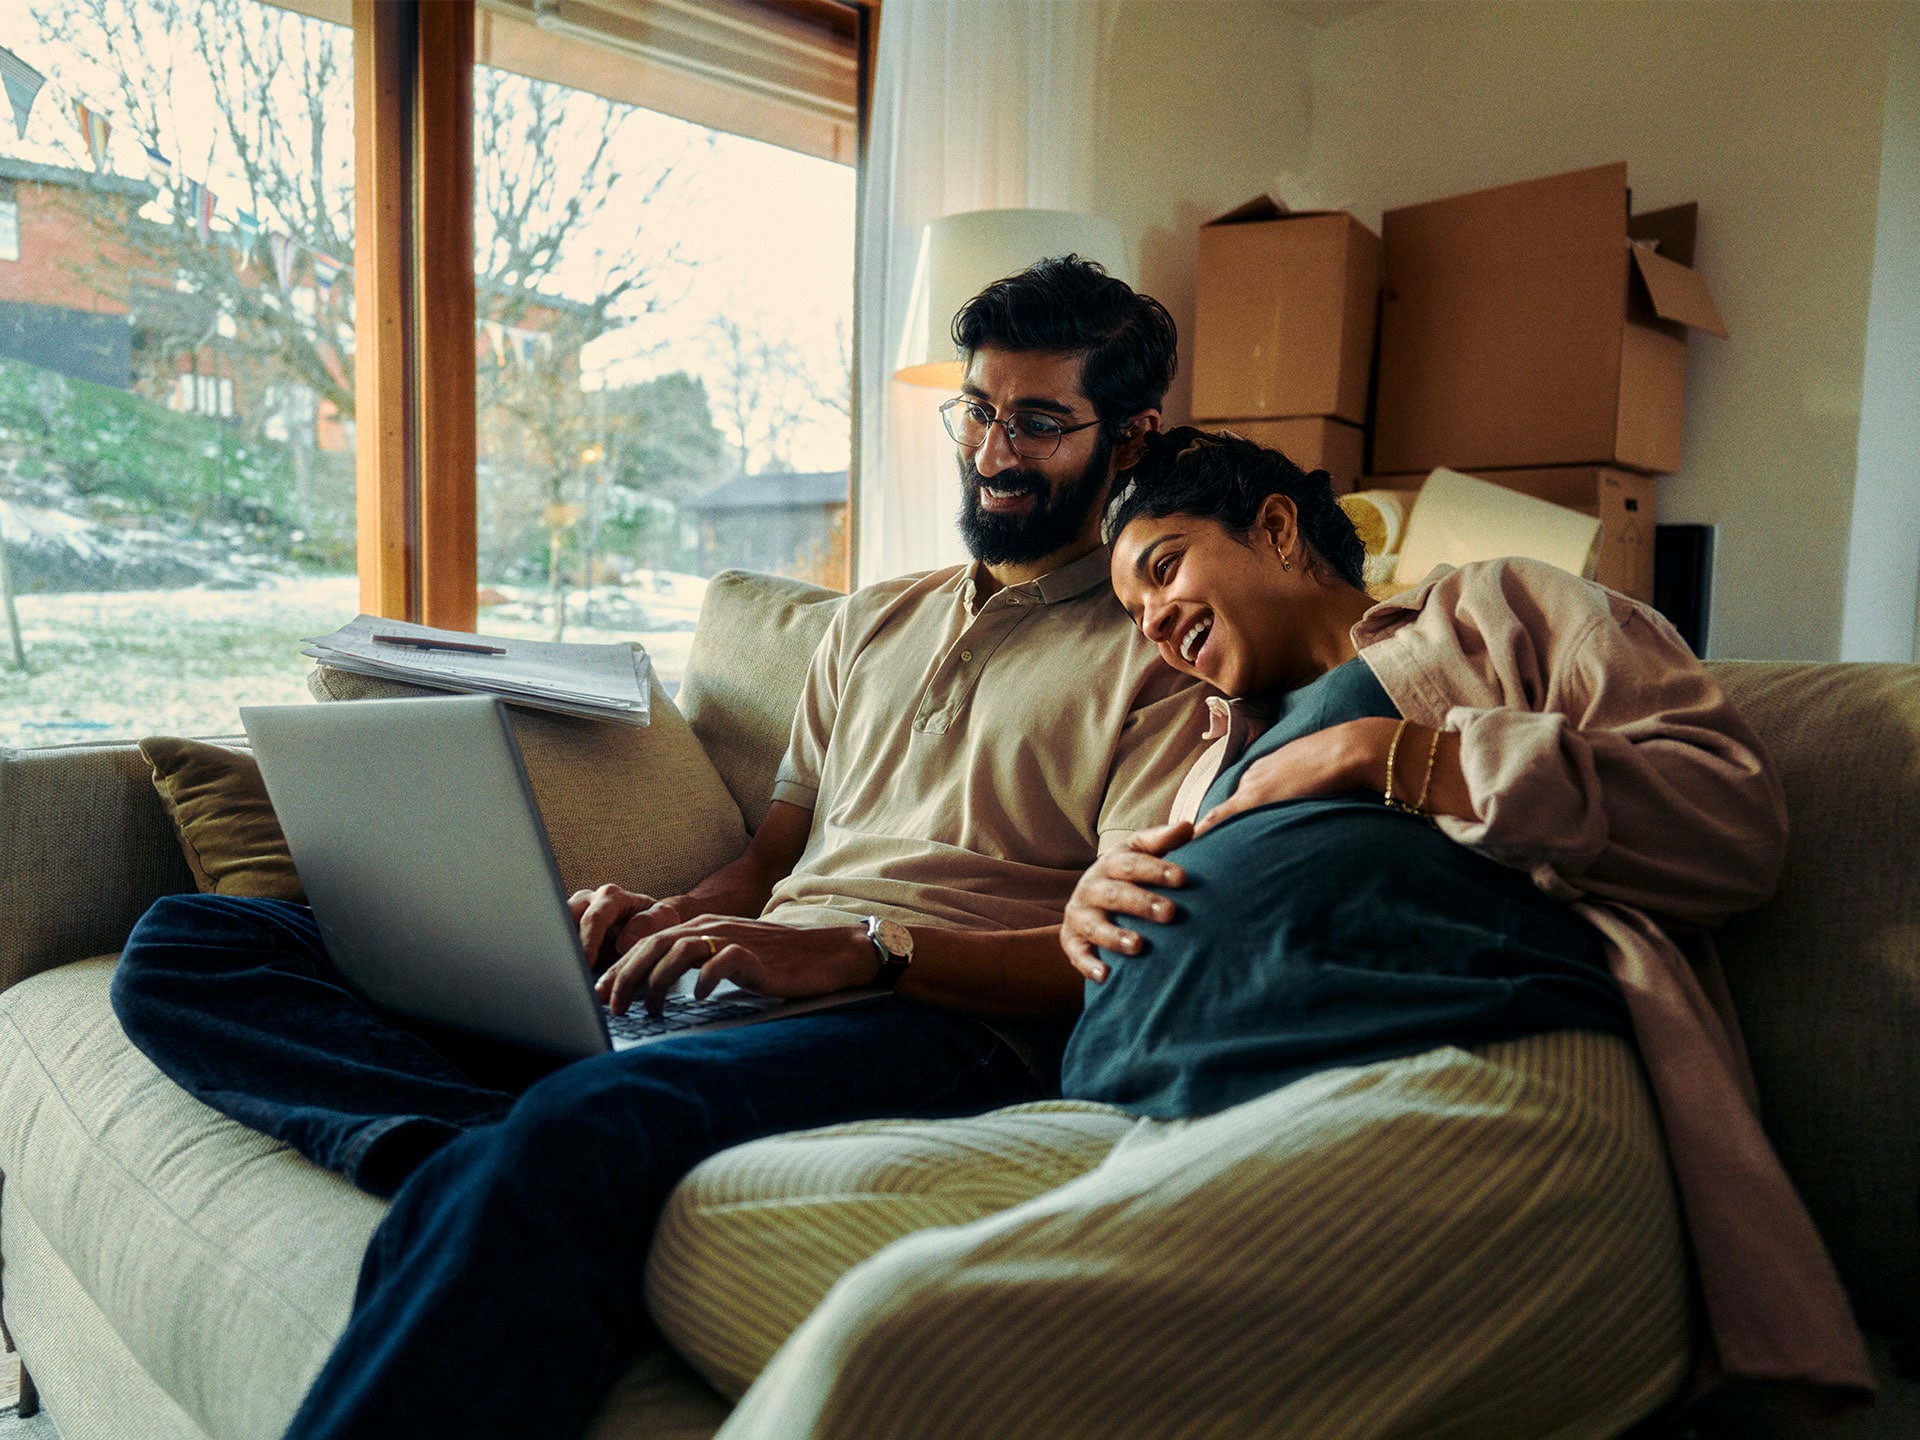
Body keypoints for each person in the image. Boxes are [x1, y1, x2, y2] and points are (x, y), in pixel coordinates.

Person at [107, 257, 1210, 1440]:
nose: (994, 450)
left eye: (1039, 422)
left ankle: (540, 1157)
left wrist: (864, 953)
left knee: (577, 1132)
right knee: (193, 942)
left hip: (932, 1025)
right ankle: (493, 1155)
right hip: (757, 983)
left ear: (1132, 438)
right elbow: (771, 856)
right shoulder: (874, 619)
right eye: (980, 410)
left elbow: (1110, 954)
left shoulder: (1169, 646)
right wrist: (672, 913)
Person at [642, 428, 1871, 1439]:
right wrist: (1089, 920)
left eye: (1167, 568)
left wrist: (1404, 756)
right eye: (1131, 608)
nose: (1154, 624)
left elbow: (1734, 820)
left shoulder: (1496, 614)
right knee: (709, 1219)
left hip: (1466, 1065)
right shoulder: (1201, 751)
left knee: (892, 1341)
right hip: (1165, 1119)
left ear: (1278, 529)